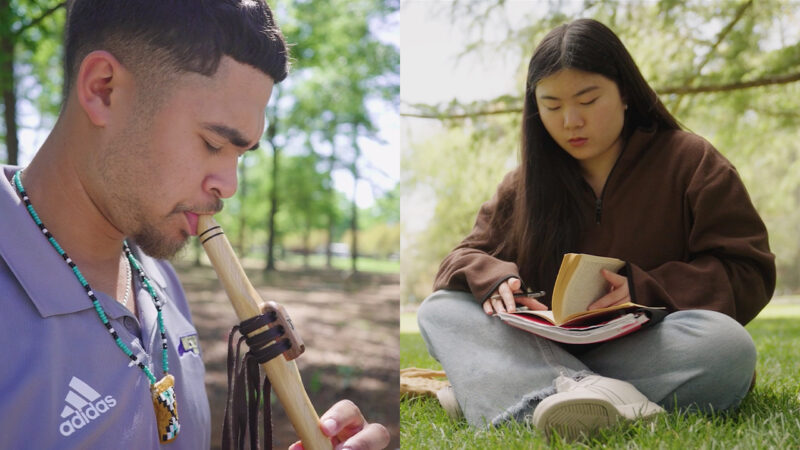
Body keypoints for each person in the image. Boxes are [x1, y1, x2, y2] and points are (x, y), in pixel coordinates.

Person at [0, 1, 390, 449]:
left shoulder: (159, 279)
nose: (230, 186)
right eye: (212, 143)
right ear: (103, 89)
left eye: (241, 156)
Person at [417, 18, 775, 440]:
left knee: (727, 348)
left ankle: (506, 388)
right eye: (551, 106)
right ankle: (579, 393)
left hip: (648, 346)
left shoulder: (691, 160)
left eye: (588, 100)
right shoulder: (523, 184)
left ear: (625, 92)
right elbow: (463, 258)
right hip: (549, 341)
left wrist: (643, 288)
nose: (571, 120)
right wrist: (495, 279)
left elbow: (748, 269)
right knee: (439, 310)